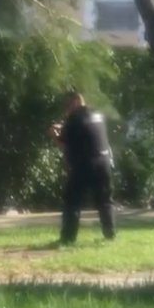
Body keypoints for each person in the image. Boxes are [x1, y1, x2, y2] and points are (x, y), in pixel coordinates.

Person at [50, 91, 116, 244]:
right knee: (105, 200)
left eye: (68, 106)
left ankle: (67, 238)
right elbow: (88, 132)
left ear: (75, 103)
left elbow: (64, 143)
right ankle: (110, 234)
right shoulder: (98, 115)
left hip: (84, 164)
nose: (67, 111)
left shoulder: (73, 119)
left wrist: (54, 134)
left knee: (72, 202)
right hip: (104, 162)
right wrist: (66, 126)